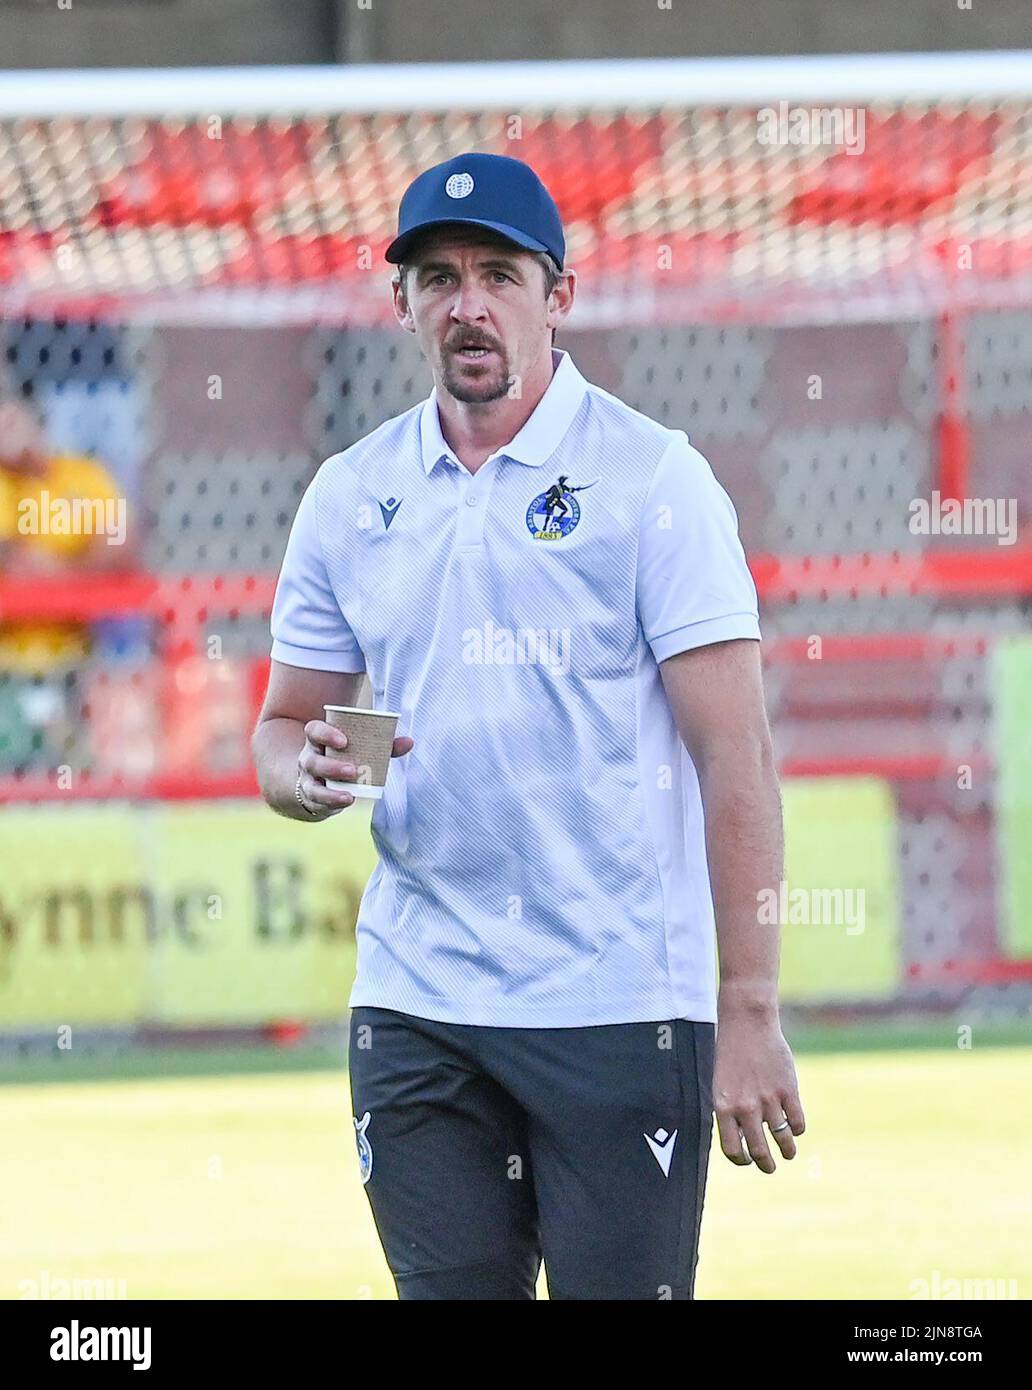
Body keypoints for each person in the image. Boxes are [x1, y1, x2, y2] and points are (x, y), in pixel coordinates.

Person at [253, 152, 804, 1301]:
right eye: (438, 277)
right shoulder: (351, 497)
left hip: (619, 1003)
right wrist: (303, 773)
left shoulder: (656, 481)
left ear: (558, 293)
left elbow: (735, 757)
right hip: (421, 1001)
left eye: (498, 275)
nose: (468, 304)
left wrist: (747, 1007)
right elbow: (289, 728)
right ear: (400, 301)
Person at [0, 395, 126, 771]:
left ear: (40, 428)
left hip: (77, 654)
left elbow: (121, 545)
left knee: (82, 764)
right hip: (9, 661)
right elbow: (12, 561)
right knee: (21, 762)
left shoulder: (80, 475)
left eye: (10, 425)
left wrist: (63, 572)